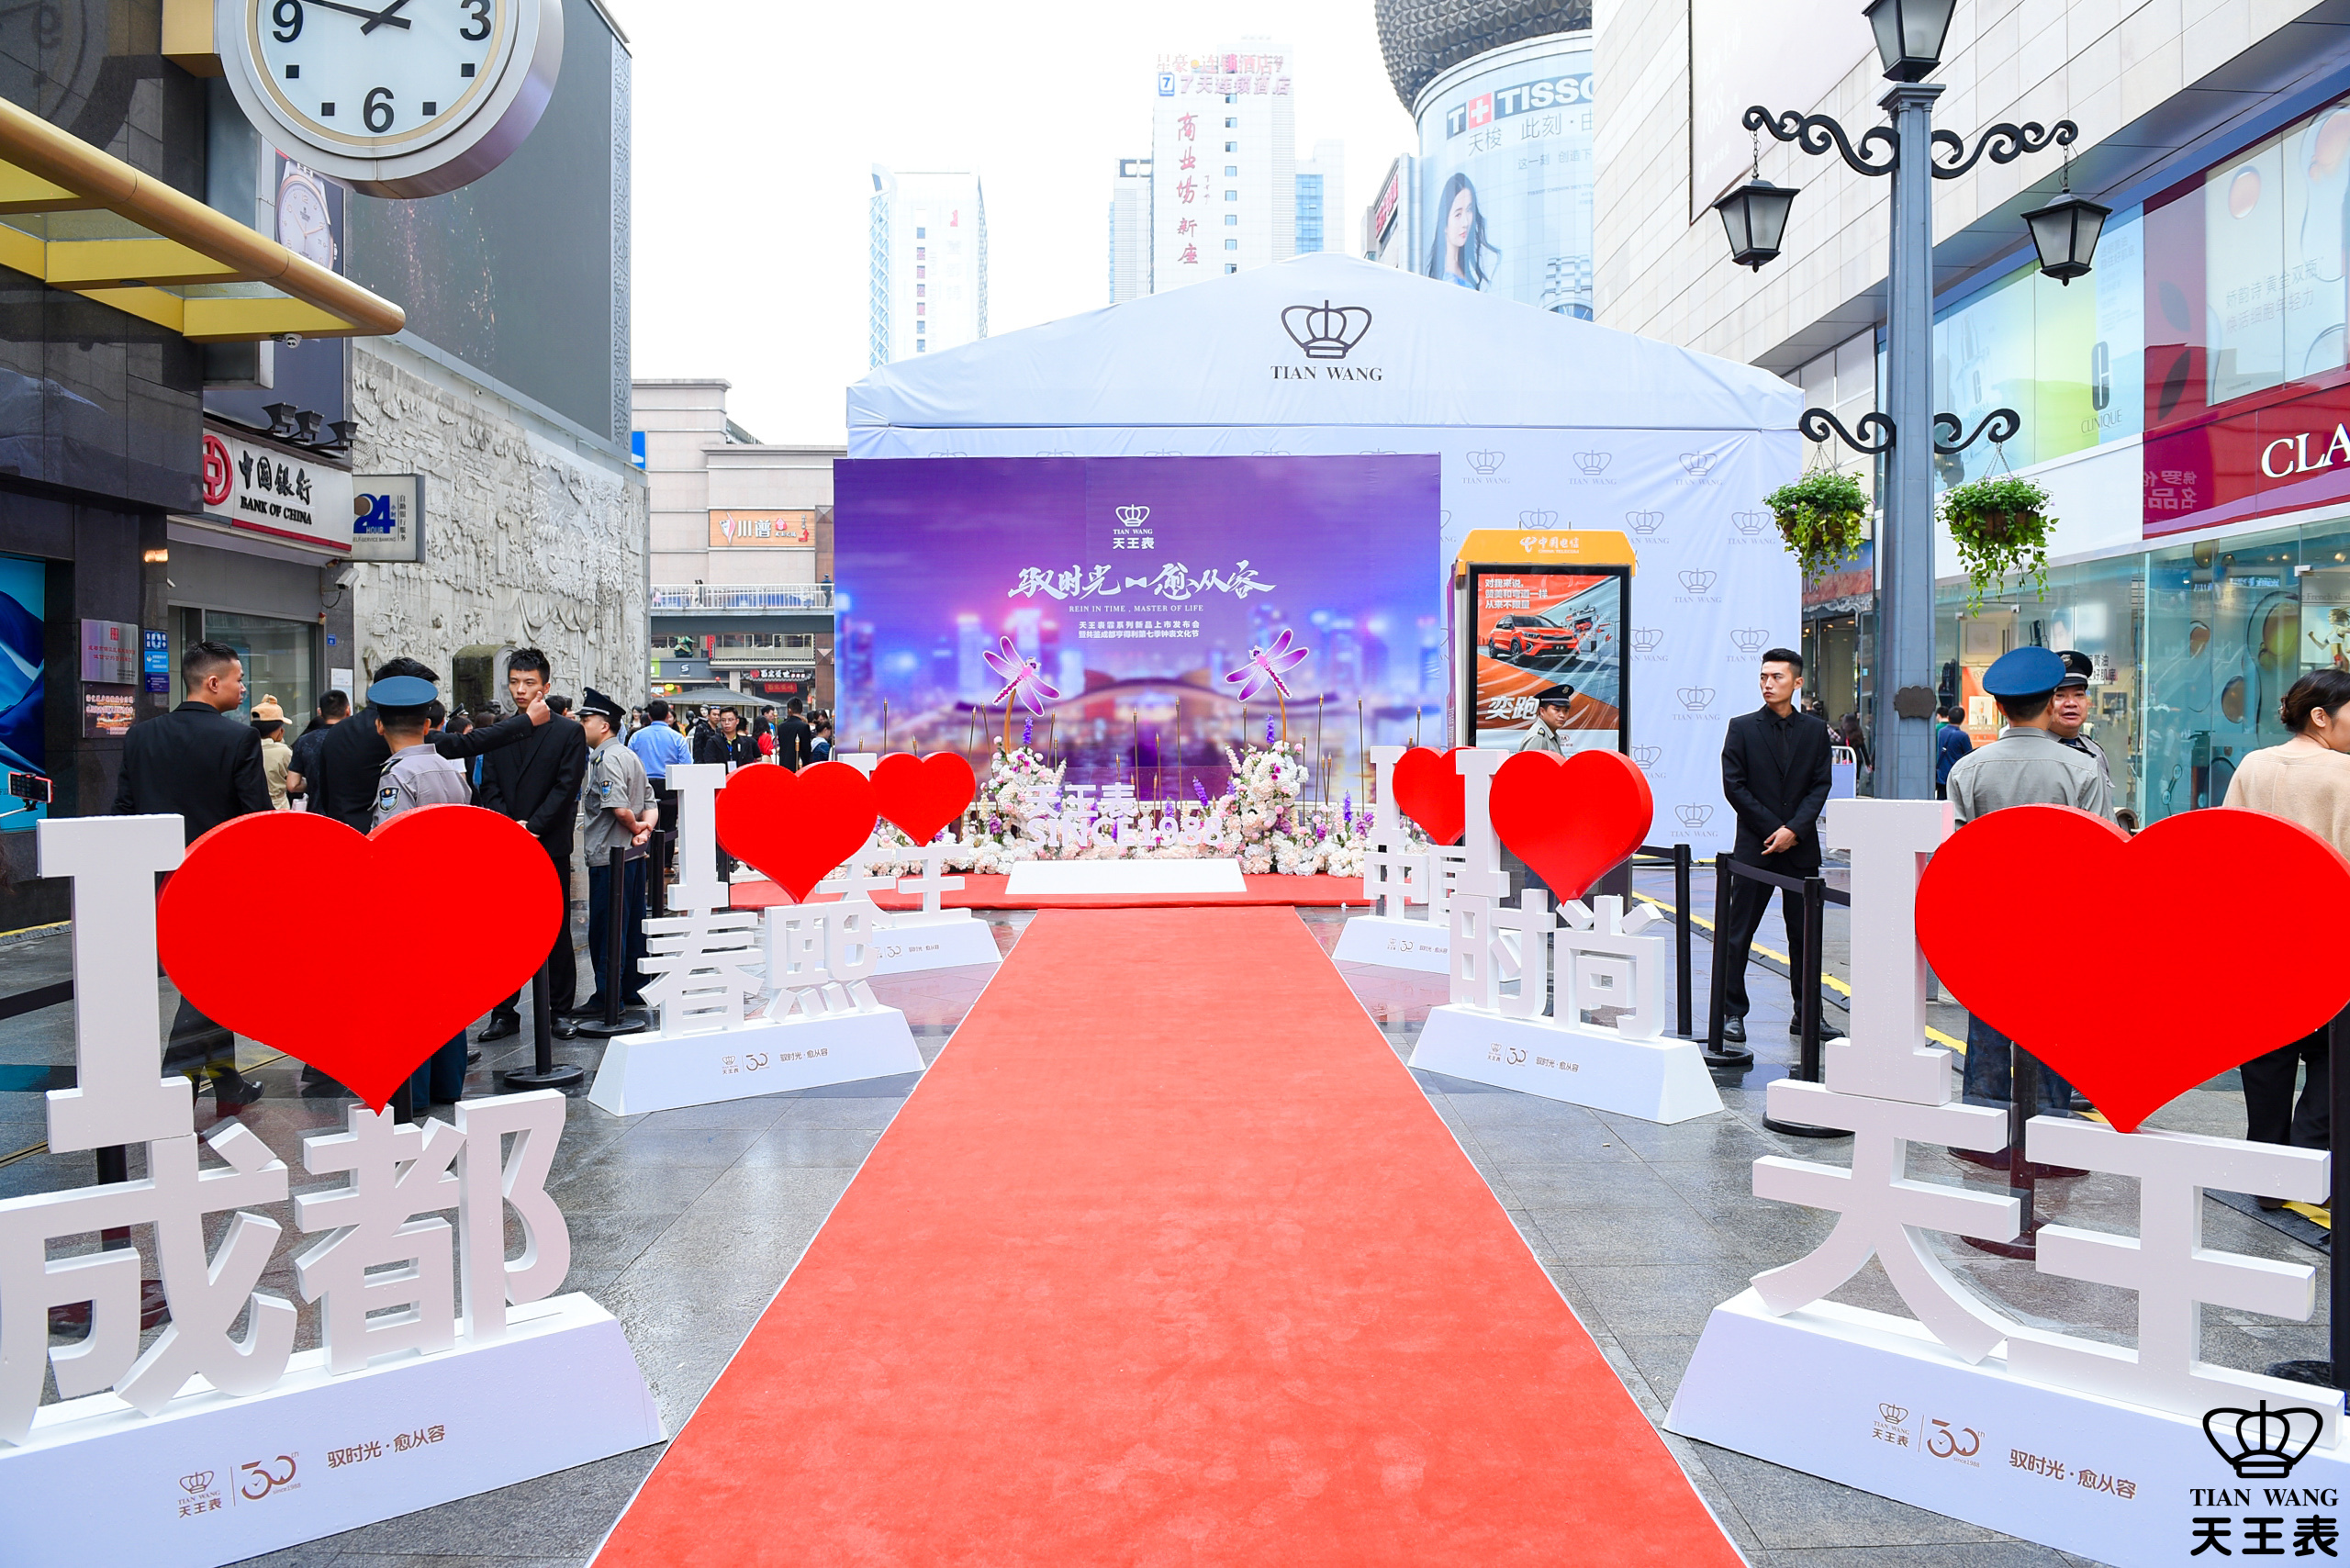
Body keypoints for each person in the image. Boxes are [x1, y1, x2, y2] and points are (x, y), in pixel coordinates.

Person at [1943, 645, 2110, 1158]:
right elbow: (2100, 854)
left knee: (1989, 1026)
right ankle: (2048, 1140)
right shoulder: (2080, 769)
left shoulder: (1967, 770)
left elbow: (1956, 855)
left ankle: (1981, 1133)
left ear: (2000, 707)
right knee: (2056, 1033)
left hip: (1991, 920)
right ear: (2048, 702)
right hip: (2061, 923)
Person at [114, 640, 273, 1107]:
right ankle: (174, 1087)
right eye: (239, 679)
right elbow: (255, 817)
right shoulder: (238, 739)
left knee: (207, 981)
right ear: (213, 682)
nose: (244, 689)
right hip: (217, 880)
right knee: (207, 985)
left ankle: (227, 1083)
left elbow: (123, 810)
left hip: (158, 880)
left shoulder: (140, 736)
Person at [2221, 668, 2350, 1200]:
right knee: (2334, 1058)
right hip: (2330, 940)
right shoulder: (2344, 774)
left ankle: (2268, 1174)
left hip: (2261, 940)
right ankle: (2306, 1154)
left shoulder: (2254, 764)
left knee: (2267, 1062)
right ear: (2321, 716)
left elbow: (2227, 848)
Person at [366, 673, 477, 1112]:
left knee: (411, 999)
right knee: (447, 993)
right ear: (429, 724)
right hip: (453, 897)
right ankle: (448, 1082)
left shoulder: (397, 776)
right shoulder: (450, 769)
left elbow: (391, 842)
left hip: (412, 903)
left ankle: (412, 1090)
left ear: (380, 725)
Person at [1716, 648, 1836, 1047]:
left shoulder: (1815, 730)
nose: (1768, 684)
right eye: (1763, 677)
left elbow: (1820, 784)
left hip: (1800, 850)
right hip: (1757, 847)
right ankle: (1732, 1013)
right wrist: (1775, 829)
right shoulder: (1742, 728)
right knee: (1738, 933)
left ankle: (1808, 1013)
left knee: (1805, 936)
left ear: (1797, 682)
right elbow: (1734, 786)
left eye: (1777, 677)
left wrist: (1795, 830)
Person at [476, 649, 590, 1041]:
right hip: (508, 843)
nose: (520, 690)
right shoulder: (501, 730)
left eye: (528, 683)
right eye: (514, 682)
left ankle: (560, 1011)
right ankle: (503, 1012)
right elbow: (488, 784)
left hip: (549, 842)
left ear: (545, 685)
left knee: (556, 931)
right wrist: (511, 826)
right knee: (505, 933)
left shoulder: (567, 732)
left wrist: (535, 827)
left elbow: (567, 787)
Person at [576, 688, 654, 1020]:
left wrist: (635, 827)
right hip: (632, 856)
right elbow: (650, 803)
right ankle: (632, 987)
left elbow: (619, 809)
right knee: (631, 925)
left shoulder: (606, 760)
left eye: (586, 719)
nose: (582, 725)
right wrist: (645, 831)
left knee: (607, 929)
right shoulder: (628, 755)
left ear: (604, 725)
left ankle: (608, 996)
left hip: (610, 856)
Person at [2049, 650, 2112, 790]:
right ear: (2044, 703)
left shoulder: (2094, 750)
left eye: (2079, 695)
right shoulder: (2037, 752)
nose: (2071, 703)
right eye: (2060, 695)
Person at [1423, 172, 1498, 290]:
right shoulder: (1445, 280)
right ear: (1444, 223)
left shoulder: (1468, 269)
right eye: (1458, 214)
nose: (1465, 223)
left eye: (1469, 210)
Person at [286, 689, 347, 803]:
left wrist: (313, 783)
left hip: (317, 810)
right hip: (349, 810)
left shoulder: (305, 741)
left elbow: (292, 785)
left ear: (320, 712)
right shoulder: (355, 738)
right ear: (348, 711)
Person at [252, 697, 295, 810]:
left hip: (252, 806)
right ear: (275, 728)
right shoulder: (283, 751)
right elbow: (294, 779)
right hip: (279, 806)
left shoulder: (247, 747)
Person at [1516, 684, 1575, 755]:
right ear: (1542, 711)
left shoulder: (1550, 734)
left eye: (1566, 711)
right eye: (1557, 710)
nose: (1562, 715)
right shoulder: (1538, 738)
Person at [1934, 703, 1974, 799]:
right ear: (1962, 719)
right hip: (1956, 775)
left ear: (1948, 717)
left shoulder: (1941, 732)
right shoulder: (1963, 736)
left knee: (1942, 801)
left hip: (1942, 775)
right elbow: (1969, 756)